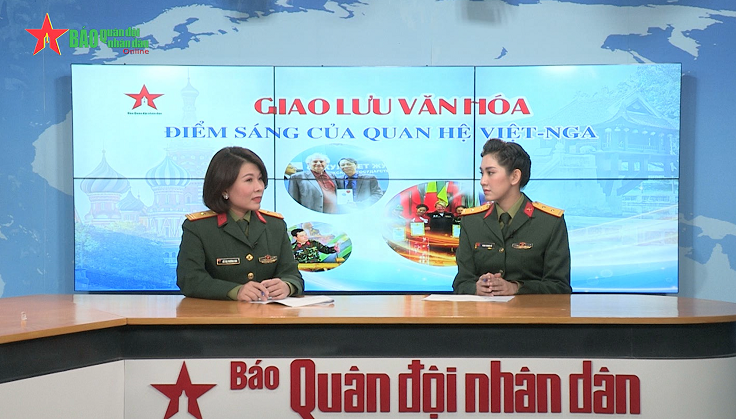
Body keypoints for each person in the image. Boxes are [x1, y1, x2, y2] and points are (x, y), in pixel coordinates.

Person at [177, 147, 304, 301]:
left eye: (260, 179)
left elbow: (292, 274)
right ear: (224, 187)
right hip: (217, 314)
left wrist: (287, 286)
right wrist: (235, 291)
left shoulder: (275, 225)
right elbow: (189, 280)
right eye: (249, 180)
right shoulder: (198, 227)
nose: (259, 187)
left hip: (268, 314)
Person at [453, 138, 572, 295]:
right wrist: (476, 288)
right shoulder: (471, 221)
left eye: (491, 173)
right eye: (482, 173)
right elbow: (461, 283)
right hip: (483, 310)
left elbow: (559, 287)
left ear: (515, 176)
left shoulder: (550, 222)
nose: (483, 181)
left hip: (530, 311)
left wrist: (516, 288)